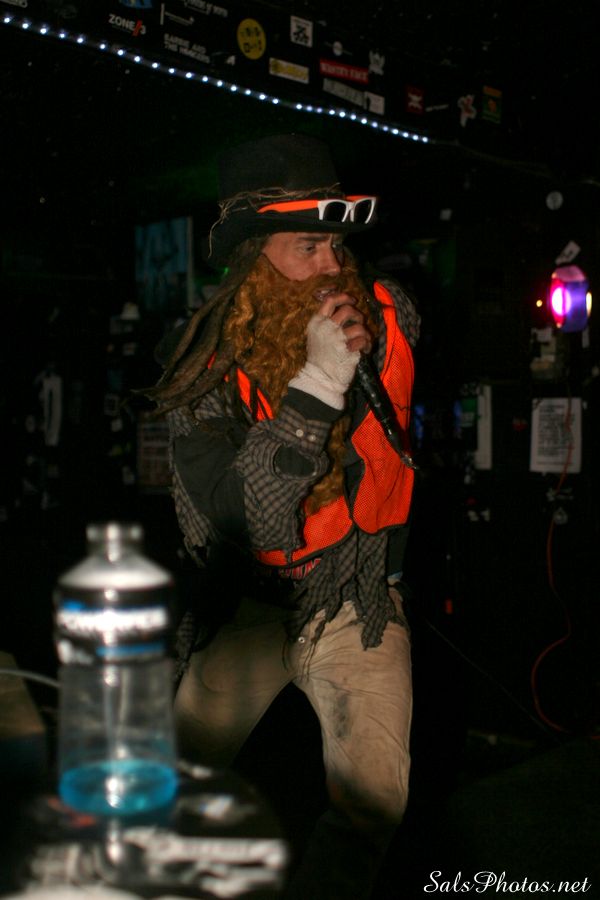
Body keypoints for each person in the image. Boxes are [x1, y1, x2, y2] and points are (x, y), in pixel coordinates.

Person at [147, 133, 420, 900]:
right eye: (308, 246)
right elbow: (249, 522)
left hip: (360, 600)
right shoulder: (200, 371)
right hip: (255, 609)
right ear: (253, 258)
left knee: (374, 803)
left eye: (336, 243)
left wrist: (357, 367)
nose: (333, 265)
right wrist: (316, 386)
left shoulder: (389, 313)